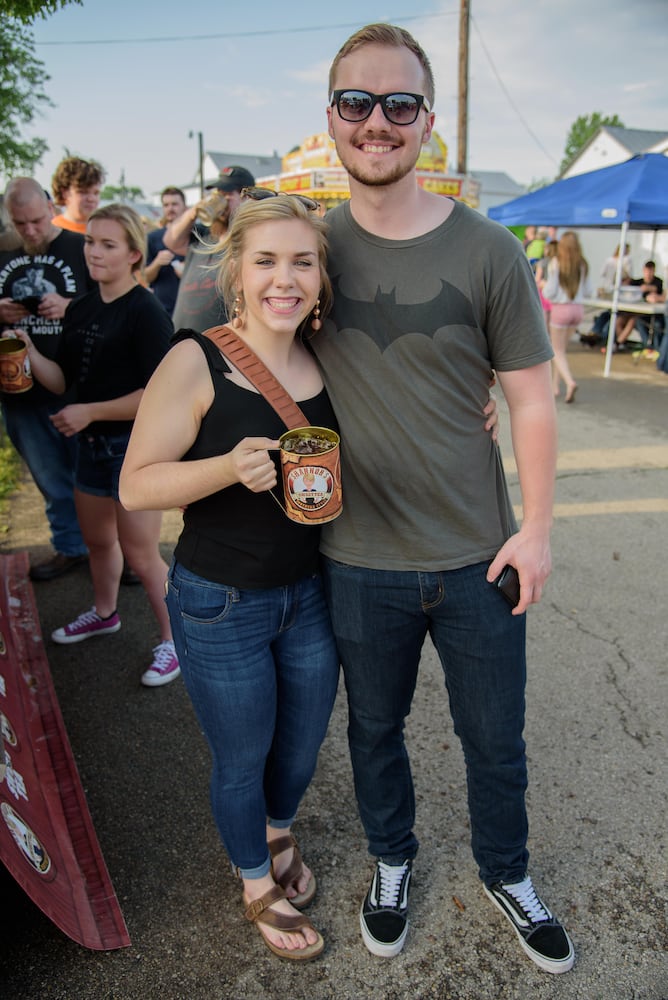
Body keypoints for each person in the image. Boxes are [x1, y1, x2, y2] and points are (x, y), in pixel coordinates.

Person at [311, 23, 574, 974]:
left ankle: (508, 869)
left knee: (493, 738)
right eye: (357, 102)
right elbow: (230, 350)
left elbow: (532, 397)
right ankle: (392, 860)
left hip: (478, 554)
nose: (377, 123)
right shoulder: (305, 249)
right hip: (354, 558)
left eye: (399, 104)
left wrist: (537, 529)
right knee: (373, 730)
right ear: (331, 115)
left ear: (428, 121)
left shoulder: (491, 249)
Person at [119, 194, 340, 959]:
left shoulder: (328, 353)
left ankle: (279, 831)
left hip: (310, 594)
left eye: (302, 261)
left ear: (321, 275)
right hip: (220, 602)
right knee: (242, 756)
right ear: (237, 271)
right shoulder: (197, 357)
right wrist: (225, 466)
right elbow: (136, 486)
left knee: (302, 748)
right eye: (268, 261)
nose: (286, 278)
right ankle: (255, 882)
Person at [13, 204, 180, 687]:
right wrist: (27, 350)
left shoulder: (145, 310)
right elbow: (64, 377)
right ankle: (104, 613)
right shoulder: (82, 306)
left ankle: (175, 641)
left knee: (143, 554)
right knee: (99, 543)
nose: (94, 252)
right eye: (90, 242)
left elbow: (160, 395)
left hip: (135, 448)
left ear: (133, 254)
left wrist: (90, 411)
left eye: (108, 245)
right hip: (91, 448)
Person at [0, 178, 91, 580]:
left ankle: (116, 552)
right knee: (50, 480)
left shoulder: (81, 247)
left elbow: (114, 303)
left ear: (51, 205)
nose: (31, 231)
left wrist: (71, 306)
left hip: (80, 386)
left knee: (96, 481)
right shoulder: (3, 252)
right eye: (21, 225)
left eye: (37, 220)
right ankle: (71, 547)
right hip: (20, 389)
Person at [166, 166, 255, 332]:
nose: (220, 198)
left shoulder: (250, 241)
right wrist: (195, 211)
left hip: (219, 349)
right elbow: (171, 240)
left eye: (227, 193)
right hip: (181, 343)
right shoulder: (203, 236)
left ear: (247, 198)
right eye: (218, 193)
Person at [543, 231, 592, 402]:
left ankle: (569, 382)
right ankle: (554, 387)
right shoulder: (583, 264)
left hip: (561, 309)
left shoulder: (557, 263)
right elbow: (588, 290)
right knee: (561, 351)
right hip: (577, 310)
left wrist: (544, 288)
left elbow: (550, 291)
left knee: (556, 351)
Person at [144, 186, 188, 316]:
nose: (170, 208)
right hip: (163, 310)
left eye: (175, 204)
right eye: (166, 205)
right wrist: (157, 263)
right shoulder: (152, 238)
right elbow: (145, 277)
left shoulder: (197, 235)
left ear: (184, 207)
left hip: (192, 310)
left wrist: (190, 271)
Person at [614, 260, 664, 350]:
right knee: (619, 321)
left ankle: (617, 344)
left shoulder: (658, 281)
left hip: (646, 314)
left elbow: (656, 288)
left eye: (651, 271)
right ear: (643, 270)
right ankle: (622, 343)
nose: (648, 274)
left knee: (633, 321)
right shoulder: (638, 281)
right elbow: (629, 286)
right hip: (633, 310)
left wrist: (647, 289)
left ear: (654, 271)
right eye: (647, 271)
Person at [51, 156, 105, 234]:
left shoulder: (106, 231)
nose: (91, 199)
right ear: (65, 193)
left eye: (96, 193)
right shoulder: (53, 231)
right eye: (83, 192)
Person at [535, 239, 558, 329]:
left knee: (544, 318)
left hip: (543, 292)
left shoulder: (542, 263)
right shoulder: (560, 263)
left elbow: (537, 279)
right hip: (555, 294)